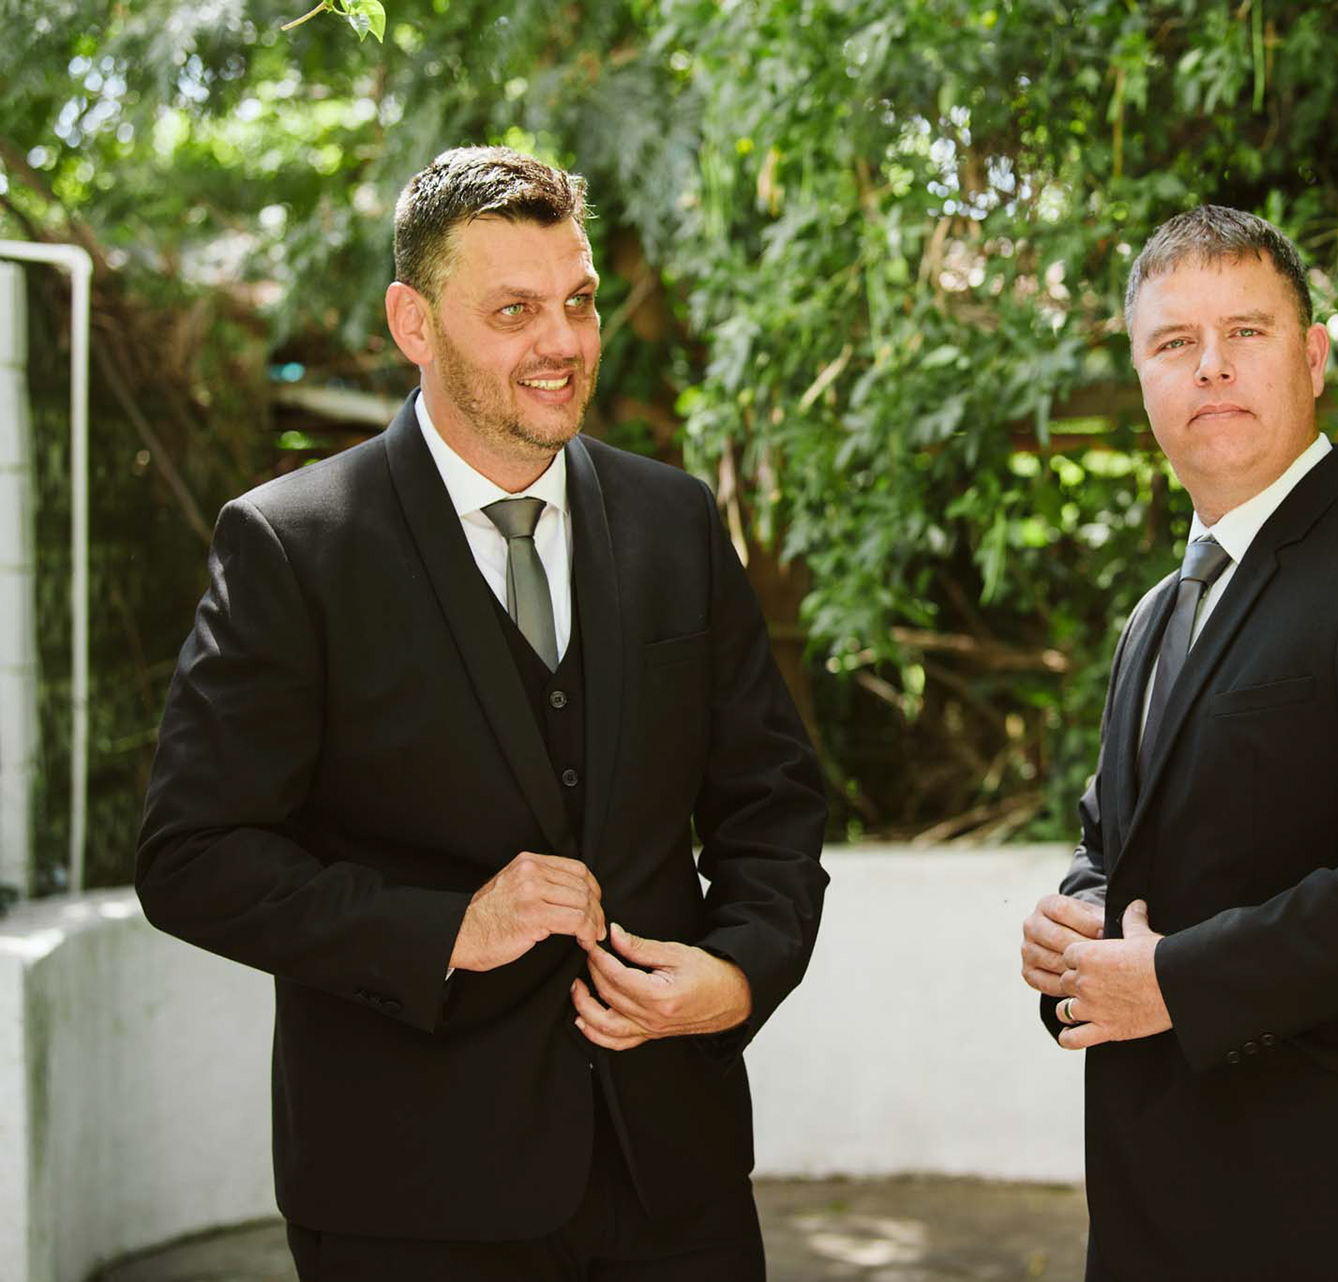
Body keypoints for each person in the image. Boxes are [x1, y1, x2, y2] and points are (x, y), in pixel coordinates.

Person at [136, 146, 828, 1281]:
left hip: (676, 1181)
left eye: (579, 301)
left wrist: (741, 971)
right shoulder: (293, 547)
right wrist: (447, 928)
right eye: (514, 311)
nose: (563, 342)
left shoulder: (675, 523)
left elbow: (775, 801)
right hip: (408, 1199)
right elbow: (191, 855)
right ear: (413, 322)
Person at [1020, 206, 1338, 1280]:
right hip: (1159, 1210)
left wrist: (1178, 981)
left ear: (1311, 357)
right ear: (1141, 376)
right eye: (1175, 342)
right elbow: (1112, 844)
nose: (1210, 366)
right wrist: (1079, 929)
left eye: (1245, 332)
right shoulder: (1154, 616)